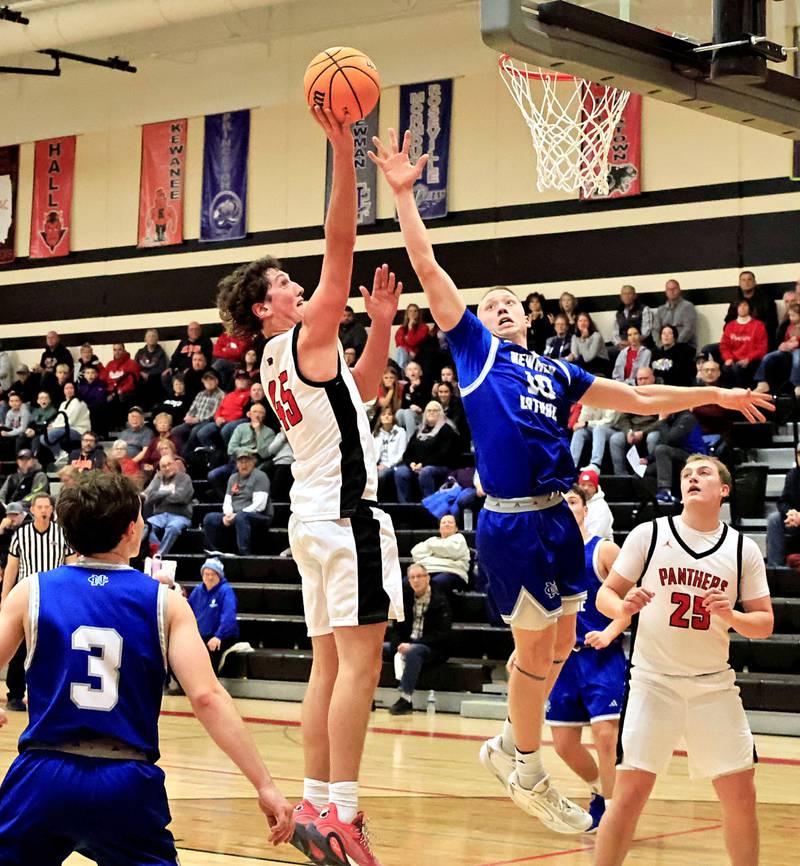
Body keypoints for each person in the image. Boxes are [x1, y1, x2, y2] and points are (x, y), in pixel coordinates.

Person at [371, 126, 772, 834]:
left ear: (527, 316)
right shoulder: (473, 351)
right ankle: (522, 764)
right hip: (513, 518)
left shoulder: (559, 370)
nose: (496, 309)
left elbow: (641, 399)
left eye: (507, 305)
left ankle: (507, 742)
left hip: (560, 515)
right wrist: (405, 199)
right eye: (487, 304)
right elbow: (429, 268)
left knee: (558, 646)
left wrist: (713, 397)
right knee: (535, 651)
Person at [216, 107, 404, 866]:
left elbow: (358, 389)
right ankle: (345, 815)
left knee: (329, 666)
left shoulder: (276, 362)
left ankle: (318, 802)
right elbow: (340, 248)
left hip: (312, 521)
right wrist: (342, 150)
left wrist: (384, 322)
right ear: (267, 307)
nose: (300, 288)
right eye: (285, 285)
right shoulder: (299, 337)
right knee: (360, 665)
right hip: (346, 519)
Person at [0, 472, 293, 861]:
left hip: (42, 773)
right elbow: (206, 697)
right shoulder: (166, 602)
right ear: (130, 531)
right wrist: (265, 784)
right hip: (125, 781)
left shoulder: (30, 591)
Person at [593, 455, 773, 866]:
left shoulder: (743, 549)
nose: (693, 478)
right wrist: (624, 604)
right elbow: (605, 594)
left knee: (742, 796)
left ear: (724, 490)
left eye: (704, 473)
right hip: (654, 682)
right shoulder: (649, 534)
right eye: (687, 475)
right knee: (629, 795)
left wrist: (732, 616)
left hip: (714, 686)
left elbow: (763, 623)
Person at [541, 486, 626, 832]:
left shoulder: (604, 550)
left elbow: (631, 602)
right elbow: (540, 613)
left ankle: (614, 810)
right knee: (563, 745)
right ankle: (600, 791)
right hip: (563, 660)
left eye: (572, 501)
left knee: (606, 736)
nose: (566, 507)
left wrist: (610, 631)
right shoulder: (549, 557)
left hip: (601, 657)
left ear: (586, 509)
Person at [1, 492, 76, 712]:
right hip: (27, 597)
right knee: (19, 649)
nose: (43, 510)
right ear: (32, 510)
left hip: (55, 597)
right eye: (39, 506)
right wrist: (5, 596)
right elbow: (12, 567)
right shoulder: (21, 534)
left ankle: (51, 693)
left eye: (47, 506)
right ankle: (15, 694)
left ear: (52, 510)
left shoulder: (62, 534)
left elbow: (71, 565)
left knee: (53, 646)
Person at [384, 563, 452, 716]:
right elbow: (396, 629)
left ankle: (405, 699)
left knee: (414, 651)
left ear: (428, 578)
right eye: (412, 577)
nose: (416, 580)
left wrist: (412, 645)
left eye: (420, 576)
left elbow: (441, 634)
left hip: (432, 647)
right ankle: (369, 696)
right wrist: (399, 645)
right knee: (375, 650)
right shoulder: (405, 598)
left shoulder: (440, 600)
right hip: (406, 644)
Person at [202, 451, 274, 556]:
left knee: (242, 517)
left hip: (259, 516)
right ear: (236, 464)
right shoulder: (233, 478)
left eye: (247, 462)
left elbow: (260, 505)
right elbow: (228, 500)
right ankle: (215, 553)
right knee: (209, 518)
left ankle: (245, 555)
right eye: (241, 462)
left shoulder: (260, 477)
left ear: (253, 462)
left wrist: (237, 515)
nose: (243, 465)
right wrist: (228, 514)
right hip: (237, 515)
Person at [394, 401, 459, 503]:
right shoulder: (419, 430)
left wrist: (423, 464)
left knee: (426, 472)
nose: (431, 413)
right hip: (417, 466)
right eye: (429, 411)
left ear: (441, 413)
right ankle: (404, 505)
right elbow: (408, 453)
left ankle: (429, 505)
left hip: (439, 466)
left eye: (435, 411)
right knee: (400, 472)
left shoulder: (446, 429)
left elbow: (443, 454)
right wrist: (411, 463)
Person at [187, 557, 240, 673]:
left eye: (213, 574)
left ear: (219, 576)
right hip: (200, 636)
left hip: (221, 636)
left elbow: (229, 617)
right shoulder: (197, 591)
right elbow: (187, 613)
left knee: (209, 654)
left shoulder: (226, 591)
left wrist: (218, 636)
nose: (210, 577)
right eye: (207, 574)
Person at [143, 453, 195, 556]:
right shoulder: (158, 478)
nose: (167, 468)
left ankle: (160, 555)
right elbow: (149, 498)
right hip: (160, 515)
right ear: (160, 469)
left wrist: (159, 496)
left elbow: (181, 497)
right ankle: (156, 549)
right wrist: (169, 492)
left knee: (173, 528)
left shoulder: (184, 478)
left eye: (169, 464)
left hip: (180, 516)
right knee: (144, 527)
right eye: (163, 466)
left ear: (175, 465)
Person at [410, 513, 470, 594]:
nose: (447, 524)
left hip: (451, 572)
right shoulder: (433, 539)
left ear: (456, 528)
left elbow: (451, 550)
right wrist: (438, 549)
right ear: (439, 528)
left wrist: (431, 548)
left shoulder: (459, 538)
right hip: (427, 571)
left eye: (450, 522)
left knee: (436, 583)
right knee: (406, 583)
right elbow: (416, 553)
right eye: (443, 523)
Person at [719, 298, 768, 388]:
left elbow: (762, 348)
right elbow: (724, 346)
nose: (742, 308)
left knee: (739, 369)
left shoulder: (758, 325)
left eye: (745, 305)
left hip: (751, 361)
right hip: (733, 360)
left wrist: (748, 359)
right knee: (726, 369)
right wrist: (728, 358)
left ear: (749, 308)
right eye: (740, 305)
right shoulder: (730, 326)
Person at [766, 445, 800, 567]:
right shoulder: (793, 475)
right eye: (799, 454)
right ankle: (775, 569)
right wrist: (790, 513)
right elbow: (782, 501)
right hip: (795, 523)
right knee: (774, 519)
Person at [570, 404, 617, 475]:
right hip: (592, 429)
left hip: (612, 430)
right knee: (579, 432)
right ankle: (571, 464)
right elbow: (582, 421)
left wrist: (587, 423)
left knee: (599, 428)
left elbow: (609, 421)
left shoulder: (610, 398)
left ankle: (595, 464)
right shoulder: (588, 401)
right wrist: (590, 407)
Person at [652, 279, 697, 348]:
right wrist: (660, 344)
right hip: (664, 346)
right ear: (666, 292)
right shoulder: (661, 310)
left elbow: (689, 329)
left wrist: (674, 344)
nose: (671, 292)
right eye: (669, 289)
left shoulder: (688, 306)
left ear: (679, 290)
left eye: (674, 289)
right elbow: (655, 329)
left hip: (684, 345)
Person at [374, 406, 407, 500]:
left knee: (381, 475)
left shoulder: (400, 432)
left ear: (393, 417)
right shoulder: (376, 433)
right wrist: (373, 466)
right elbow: (371, 454)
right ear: (380, 418)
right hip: (378, 466)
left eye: (389, 414)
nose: (386, 416)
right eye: (383, 414)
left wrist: (387, 465)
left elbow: (402, 453)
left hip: (395, 465)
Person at [134, 328, 168, 407]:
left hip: (154, 377)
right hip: (141, 376)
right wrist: (141, 373)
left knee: (154, 381)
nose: (151, 338)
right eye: (149, 336)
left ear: (157, 339)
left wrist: (149, 375)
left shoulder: (161, 353)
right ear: (145, 339)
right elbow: (134, 366)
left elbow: (162, 368)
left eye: (153, 336)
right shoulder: (140, 352)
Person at [577, 469, 614, 541]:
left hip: (598, 549)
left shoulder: (601, 507)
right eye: (583, 484)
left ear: (596, 488)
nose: (586, 488)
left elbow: (595, 537)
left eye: (590, 485)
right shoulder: (575, 503)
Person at [394, 302, 430, 368]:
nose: (412, 313)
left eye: (415, 311)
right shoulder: (401, 329)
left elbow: (413, 342)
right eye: (410, 311)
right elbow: (399, 343)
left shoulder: (424, 327)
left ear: (418, 313)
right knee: (400, 350)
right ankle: (402, 374)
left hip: (419, 354)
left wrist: (410, 328)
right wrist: (410, 350)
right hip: (407, 353)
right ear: (407, 314)